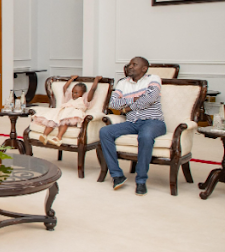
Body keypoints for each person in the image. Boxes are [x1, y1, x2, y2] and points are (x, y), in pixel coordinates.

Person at [99, 57, 165, 196]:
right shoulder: (122, 83)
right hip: (132, 123)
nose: (130, 66)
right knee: (105, 131)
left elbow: (150, 99)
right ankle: (117, 175)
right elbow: (113, 104)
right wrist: (133, 99)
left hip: (153, 121)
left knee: (145, 136)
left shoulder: (153, 78)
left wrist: (127, 108)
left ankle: (141, 181)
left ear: (144, 68)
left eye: (134, 64)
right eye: (129, 64)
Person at [32, 75, 102, 146]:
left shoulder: (84, 99)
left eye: (76, 93)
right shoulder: (70, 99)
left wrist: (96, 80)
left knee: (64, 121)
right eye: (73, 92)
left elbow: (93, 89)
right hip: (63, 112)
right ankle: (44, 135)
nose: (74, 94)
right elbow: (65, 87)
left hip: (73, 115)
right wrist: (71, 79)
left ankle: (58, 138)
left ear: (83, 93)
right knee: (52, 120)